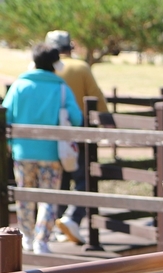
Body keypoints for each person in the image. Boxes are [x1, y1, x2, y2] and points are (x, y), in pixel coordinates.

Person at [2, 44, 83, 254]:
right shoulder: (61, 87)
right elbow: (76, 118)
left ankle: (26, 237)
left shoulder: (20, 85)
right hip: (52, 152)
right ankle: (42, 240)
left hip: (23, 152)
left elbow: (6, 115)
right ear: (57, 63)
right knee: (48, 197)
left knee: (24, 196)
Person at [45, 30, 108, 245]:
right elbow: (97, 99)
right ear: (69, 47)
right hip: (77, 133)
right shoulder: (80, 67)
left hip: (49, 136)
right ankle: (72, 217)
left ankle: (56, 222)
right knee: (84, 178)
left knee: (58, 180)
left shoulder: (43, 69)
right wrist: (107, 123)